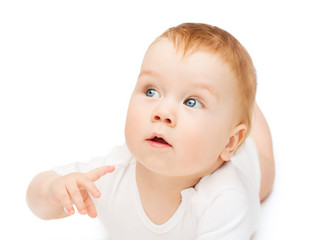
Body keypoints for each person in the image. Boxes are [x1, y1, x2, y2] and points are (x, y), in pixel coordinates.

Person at [26, 23, 275, 239]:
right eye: (151, 91)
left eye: (192, 102)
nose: (162, 111)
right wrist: (51, 191)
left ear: (229, 142)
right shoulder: (112, 173)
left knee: (263, 172)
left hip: (247, 162)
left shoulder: (226, 198)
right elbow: (37, 202)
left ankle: (249, 108)